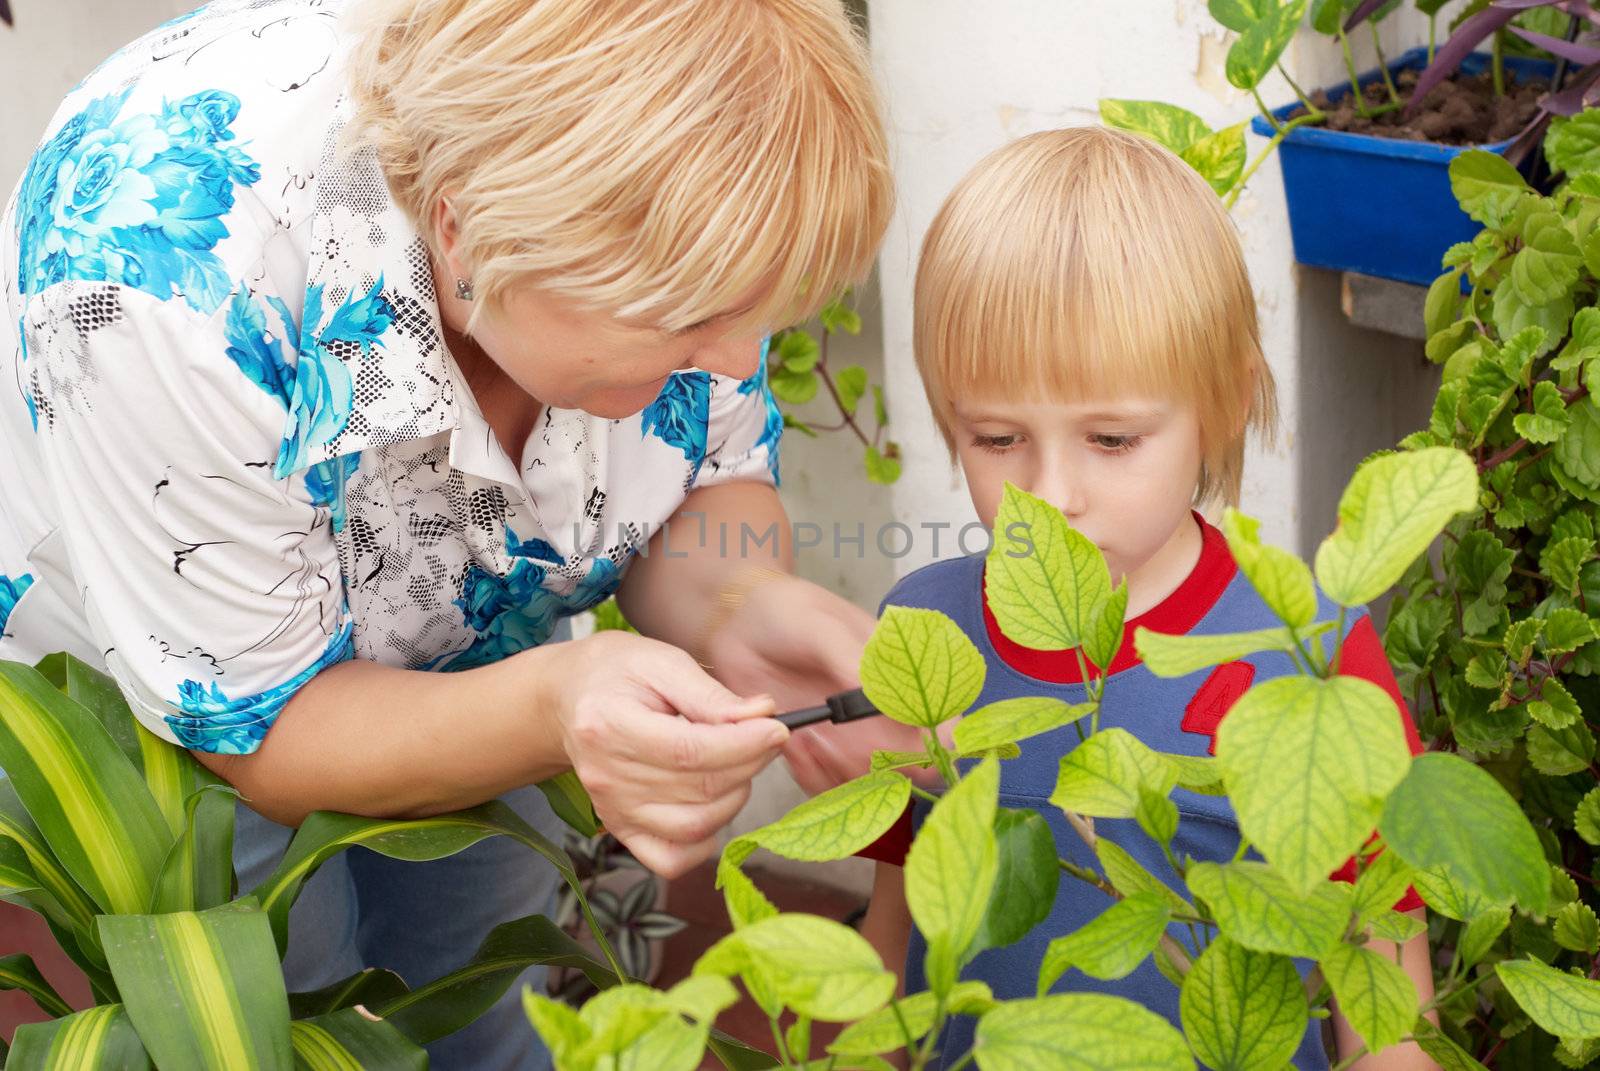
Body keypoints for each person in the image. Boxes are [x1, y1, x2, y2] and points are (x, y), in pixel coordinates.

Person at [0, 1, 891, 1066]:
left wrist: (748, 608)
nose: (744, 362)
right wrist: (561, 700)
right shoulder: (153, 279)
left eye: (760, 314)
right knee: (303, 999)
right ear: (466, 230)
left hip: (487, 646)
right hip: (167, 695)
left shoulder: (680, 224)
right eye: (691, 321)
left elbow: (703, 480)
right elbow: (262, 728)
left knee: (480, 974)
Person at [792, 127, 1438, 1069]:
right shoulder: (923, 631)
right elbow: (899, 920)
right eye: (998, 439)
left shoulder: (1311, 657)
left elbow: (1384, 978)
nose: (1051, 494)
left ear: (1221, 404)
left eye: (1112, 440)